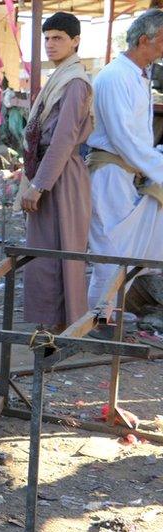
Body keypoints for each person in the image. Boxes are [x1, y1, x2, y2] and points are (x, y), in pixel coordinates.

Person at [19, 13, 92, 330]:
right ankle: (48, 327)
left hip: (60, 177)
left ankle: (61, 330)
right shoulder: (62, 75)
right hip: (51, 172)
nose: (50, 44)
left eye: (58, 37)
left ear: (75, 40)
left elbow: (63, 139)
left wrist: (38, 186)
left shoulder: (74, 82)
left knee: (57, 257)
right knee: (45, 255)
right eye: (47, 38)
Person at [86, 9, 163, 310]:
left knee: (127, 251)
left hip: (129, 172)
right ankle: (99, 321)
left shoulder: (138, 76)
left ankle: (109, 317)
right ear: (145, 40)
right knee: (111, 252)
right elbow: (123, 138)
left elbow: (138, 138)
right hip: (110, 174)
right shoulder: (115, 75)